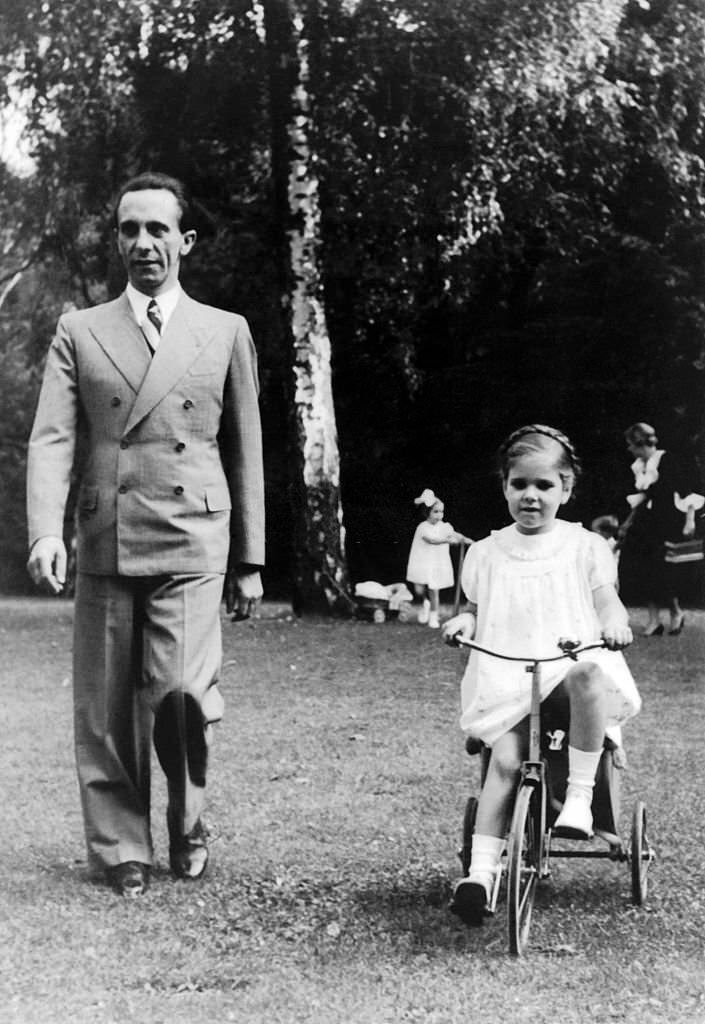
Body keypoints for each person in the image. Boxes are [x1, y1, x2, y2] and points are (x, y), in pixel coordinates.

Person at [26, 172, 265, 898]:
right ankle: (119, 845)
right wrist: (46, 531)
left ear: (184, 241)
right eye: (130, 230)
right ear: (117, 240)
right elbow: (54, 438)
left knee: (182, 695)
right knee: (104, 708)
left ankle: (187, 822)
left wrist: (251, 559)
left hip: (194, 535)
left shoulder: (224, 331)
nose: (143, 244)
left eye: (158, 230)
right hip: (107, 532)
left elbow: (245, 448)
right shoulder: (81, 329)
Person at [441, 425, 641, 926]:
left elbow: (604, 598)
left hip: (567, 662)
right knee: (505, 762)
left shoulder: (584, 546)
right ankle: (481, 876)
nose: (531, 495)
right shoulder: (488, 552)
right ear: (505, 487)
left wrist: (614, 621)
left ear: (566, 489)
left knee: (590, 675)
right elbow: (474, 604)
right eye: (519, 484)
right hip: (509, 675)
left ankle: (577, 800)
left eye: (545, 486)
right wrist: (464, 620)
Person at [618, 422, 704, 636]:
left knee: (664, 571)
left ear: (639, 443)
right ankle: (654, 620)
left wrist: (690, 520)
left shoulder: (666, 461)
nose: (629, 449)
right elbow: (642, 497)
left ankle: (676, 613)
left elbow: (686, 491)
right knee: (644, 569)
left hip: (667, 521)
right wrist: (628, 522)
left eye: (631, 444)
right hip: (647, 522)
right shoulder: (639, 466)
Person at [405, 489, 472, 628]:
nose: (439, 515)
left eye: (441, 511)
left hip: (436, 563)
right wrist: (447, 541)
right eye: (435, 512)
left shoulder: (444, 527)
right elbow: (431, 540)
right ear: (427, 512)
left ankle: (433, 617)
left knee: (434, 589)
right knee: (419, 589)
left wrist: (467, 540)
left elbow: (455, 534)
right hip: (422, 561)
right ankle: (425, 603)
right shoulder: (422, 528)